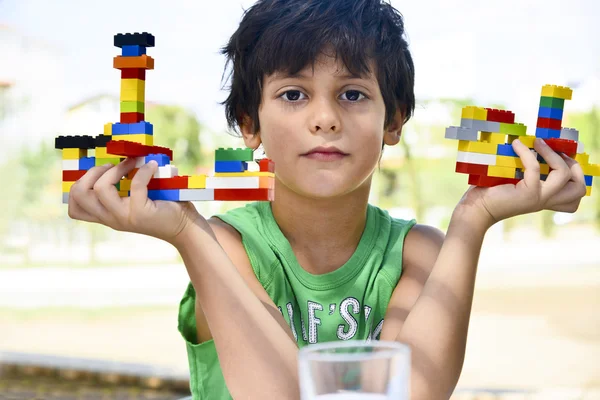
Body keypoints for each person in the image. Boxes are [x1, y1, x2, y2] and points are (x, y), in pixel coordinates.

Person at [66, 0, 588, 398]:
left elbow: (410, 391)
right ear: (249, 124)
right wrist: (186, 232)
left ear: (394, 121)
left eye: (353, 94)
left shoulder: (420, 254)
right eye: (293, 94)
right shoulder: (227, 247)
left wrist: (474, 219)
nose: (325, 118)